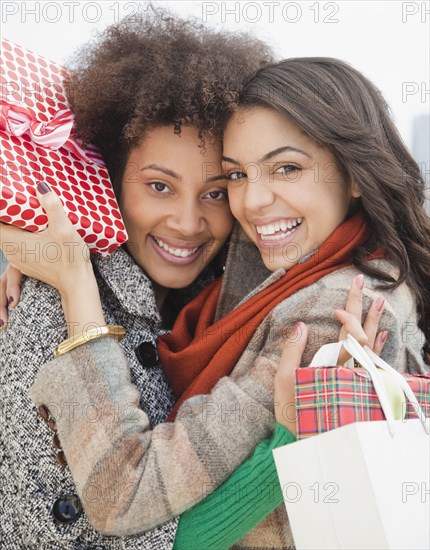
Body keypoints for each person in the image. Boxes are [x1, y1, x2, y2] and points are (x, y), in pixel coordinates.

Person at [2, 56, 421, 549]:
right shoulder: (258, 277)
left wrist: (76, 287)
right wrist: (57, 237)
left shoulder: (332, 311)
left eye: (287, 168)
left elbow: (124, 495)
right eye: (237, 177)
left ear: (354, 174)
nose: (253, 202)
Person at [0, 10, 275, 549]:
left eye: (216, 192)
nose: (189, 222)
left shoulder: (216, 300)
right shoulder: (49, 306)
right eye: (159, 187)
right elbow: (69, 530)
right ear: (111, 179)